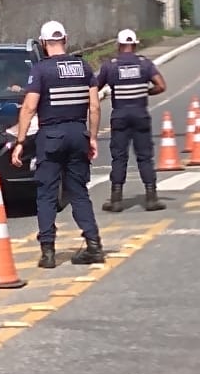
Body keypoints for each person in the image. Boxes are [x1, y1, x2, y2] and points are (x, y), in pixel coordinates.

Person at [10, 21, 105, 269]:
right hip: (78, 134)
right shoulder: (83, 67)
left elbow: (30, 107)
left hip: (51, 137)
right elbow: (94, 107)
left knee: (47, 194)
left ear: (43, 43)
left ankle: (48, 252)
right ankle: (94, 245)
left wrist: (20, 142)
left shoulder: (41, 70)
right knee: (78, 192)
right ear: (66, 38)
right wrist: (92, 137)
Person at [96, 29, 167, 213]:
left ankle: (116, 200)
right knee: (144, 156)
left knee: (119, 157)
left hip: (120, 117)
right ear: (134, 45)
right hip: (140, 115)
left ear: (119, 46)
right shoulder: (144, 64)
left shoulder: (110, 66)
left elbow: (94, 88)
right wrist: (146, 92)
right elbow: (161, 85)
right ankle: (151, 198)